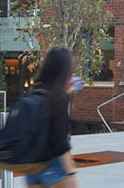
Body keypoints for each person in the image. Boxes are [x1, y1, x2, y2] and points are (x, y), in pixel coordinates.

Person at [26, 47, 78, 188]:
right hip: (53, 168)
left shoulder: (35, 92)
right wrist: (71, 173)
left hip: (32, 168)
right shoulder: (58, 97)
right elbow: (60, 142)